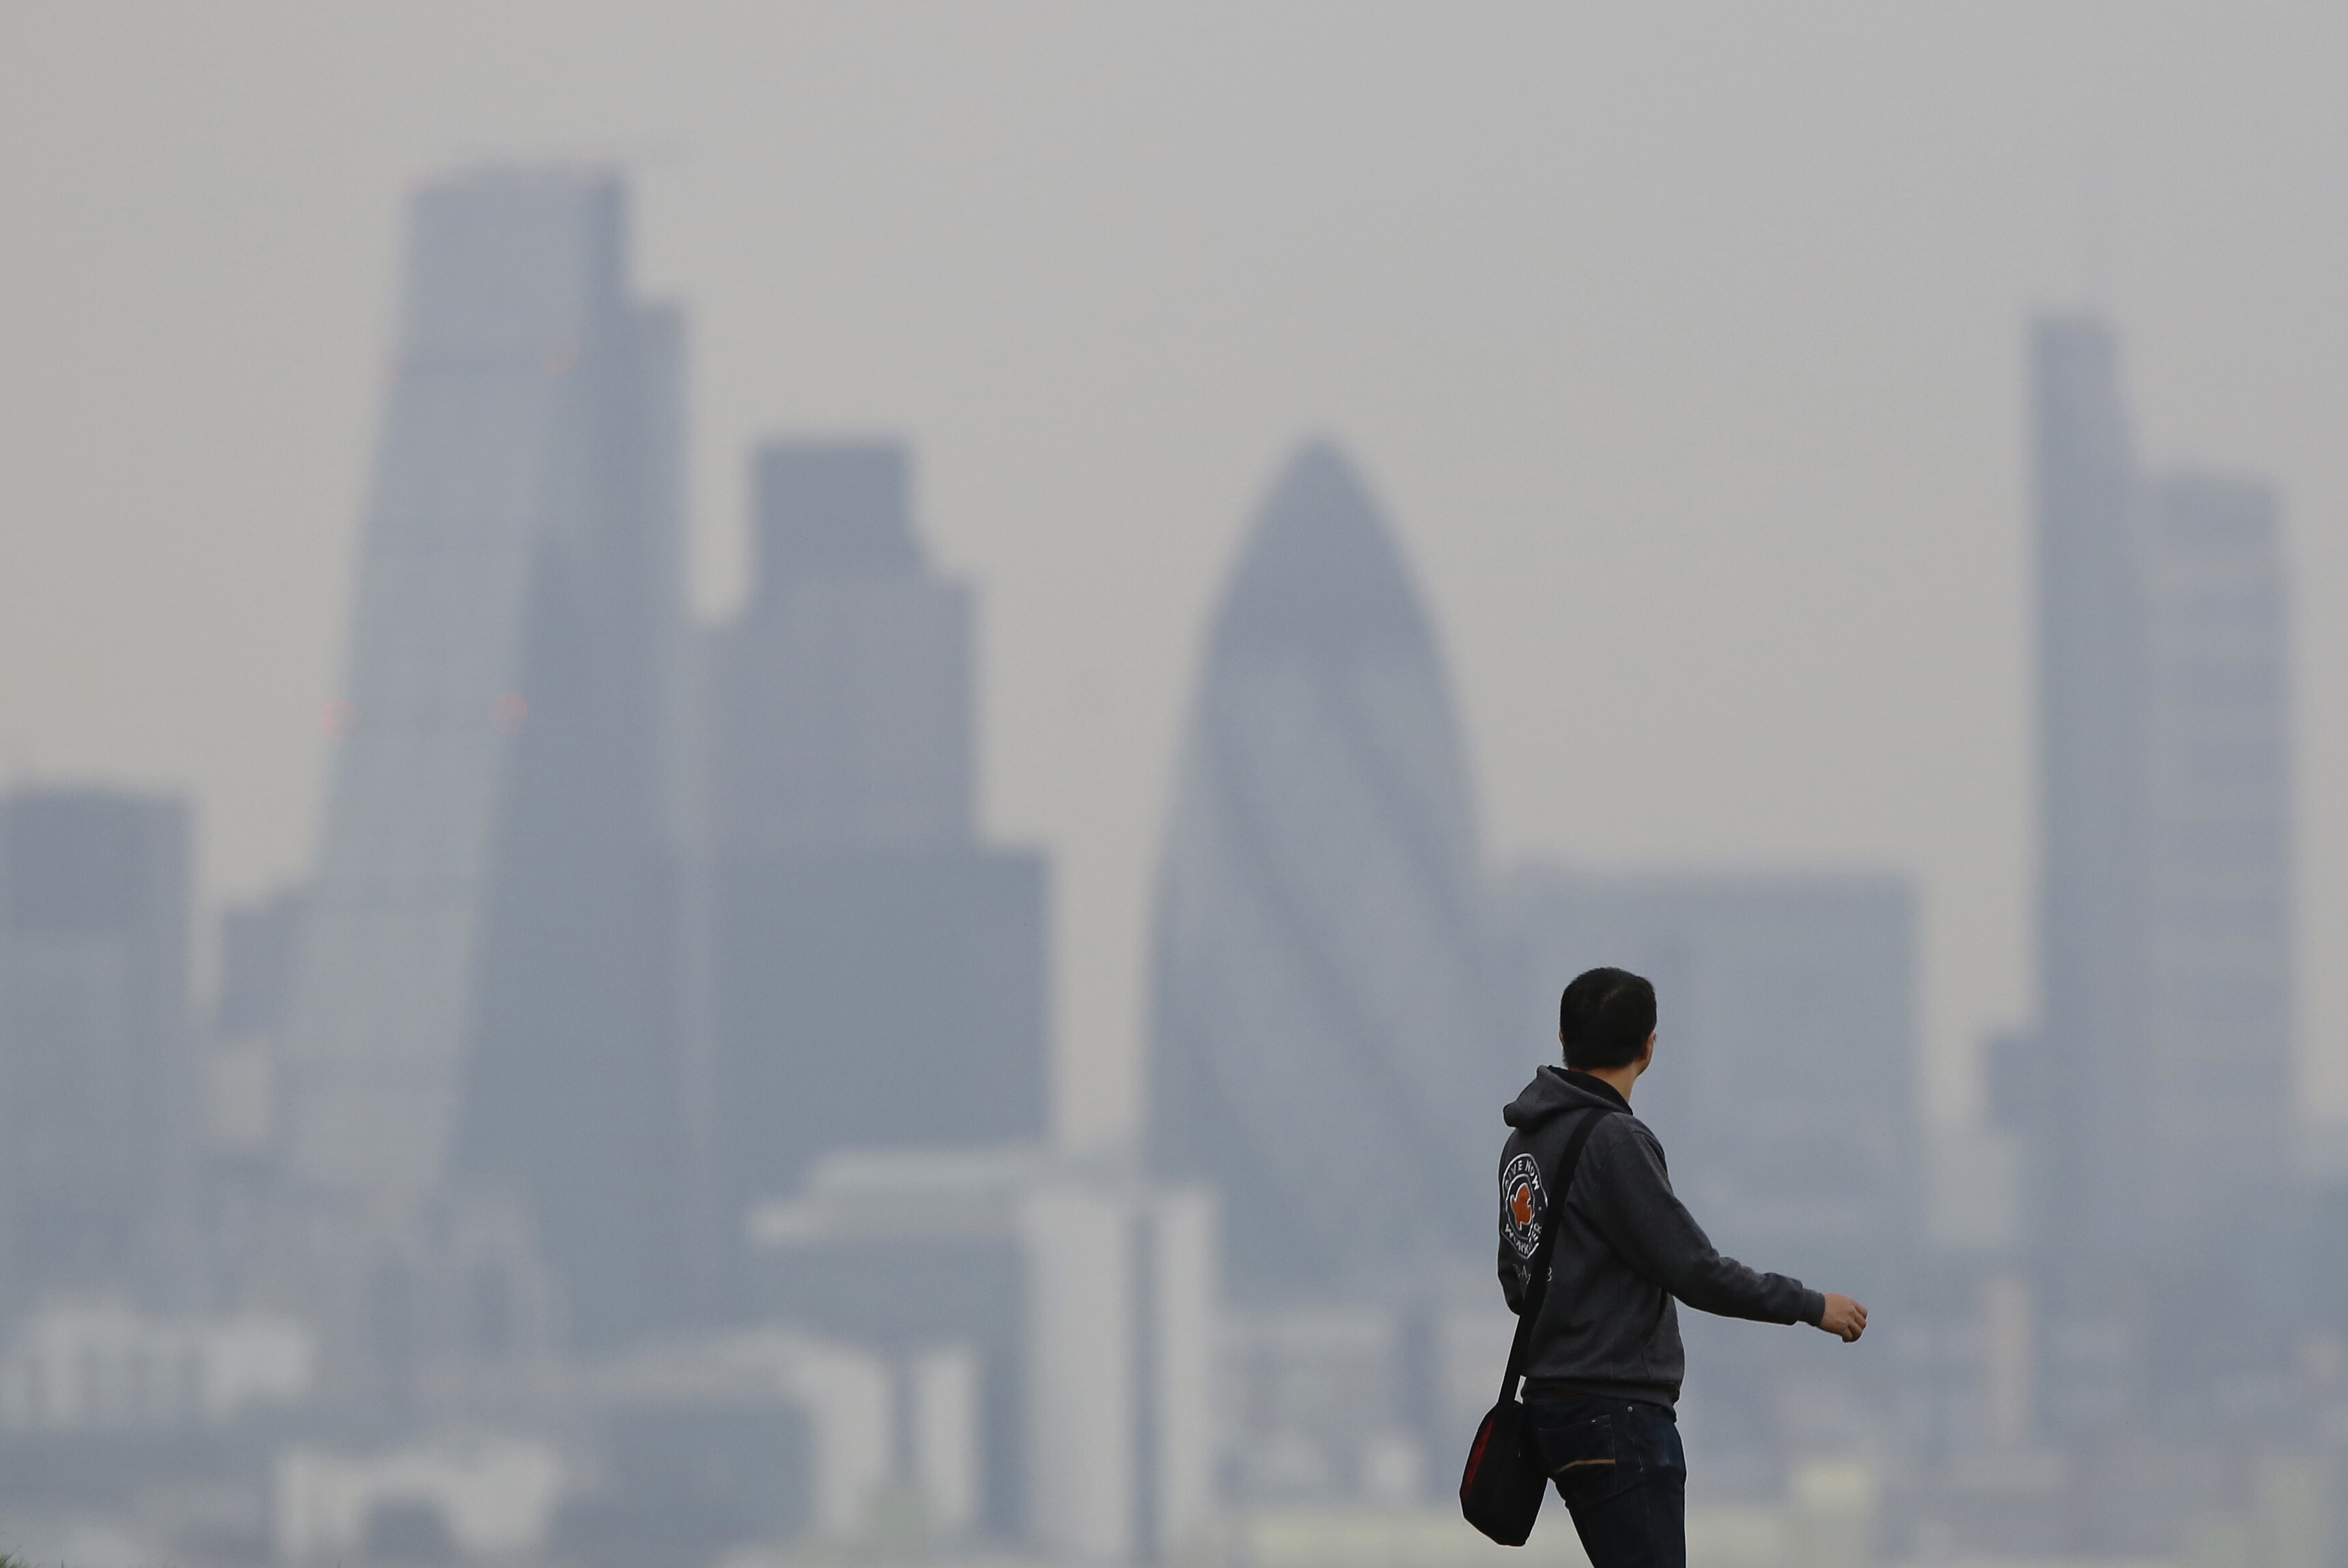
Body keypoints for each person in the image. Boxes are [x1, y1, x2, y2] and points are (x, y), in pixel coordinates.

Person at [1496, 966, 1867, 1568]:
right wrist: (1809, 1305)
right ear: (1649, 1047)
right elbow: (1693, 1268)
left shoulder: (1525, 1143)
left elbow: (1517, 1279)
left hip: (1552, 1409)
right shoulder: (1615, 1139)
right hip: (1617, 1414)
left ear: (1563, 1040)